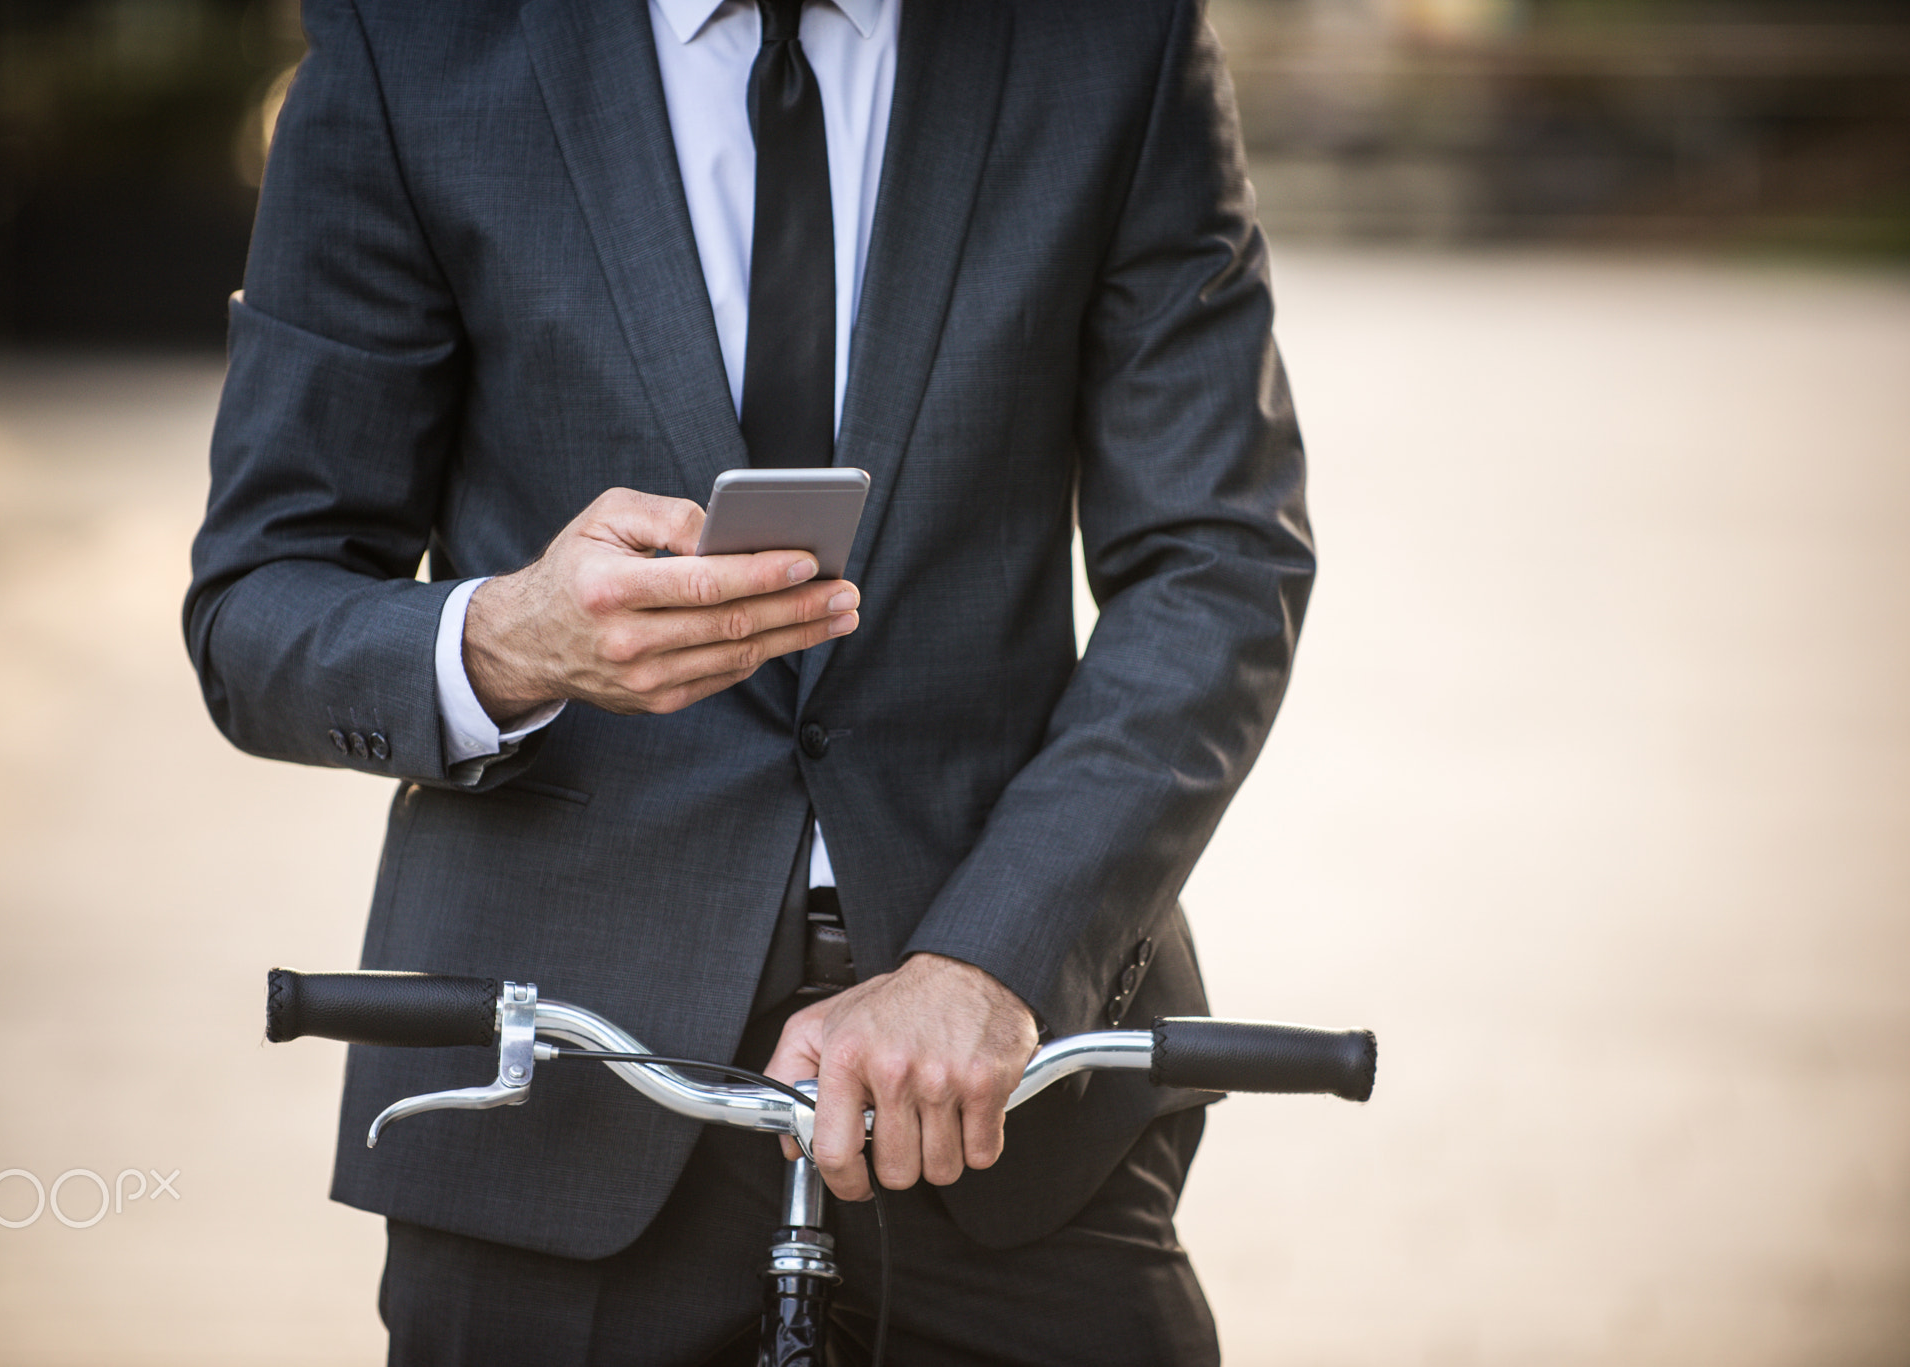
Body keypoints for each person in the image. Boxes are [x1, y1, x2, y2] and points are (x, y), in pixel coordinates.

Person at [185, 0, 1313, 1361]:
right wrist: (509, 637)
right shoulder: (414, 42)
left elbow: (1220, 561)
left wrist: (998, 957)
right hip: (546, 1100)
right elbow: (260, 602)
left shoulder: (1108, 38)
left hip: (1006, 1104)